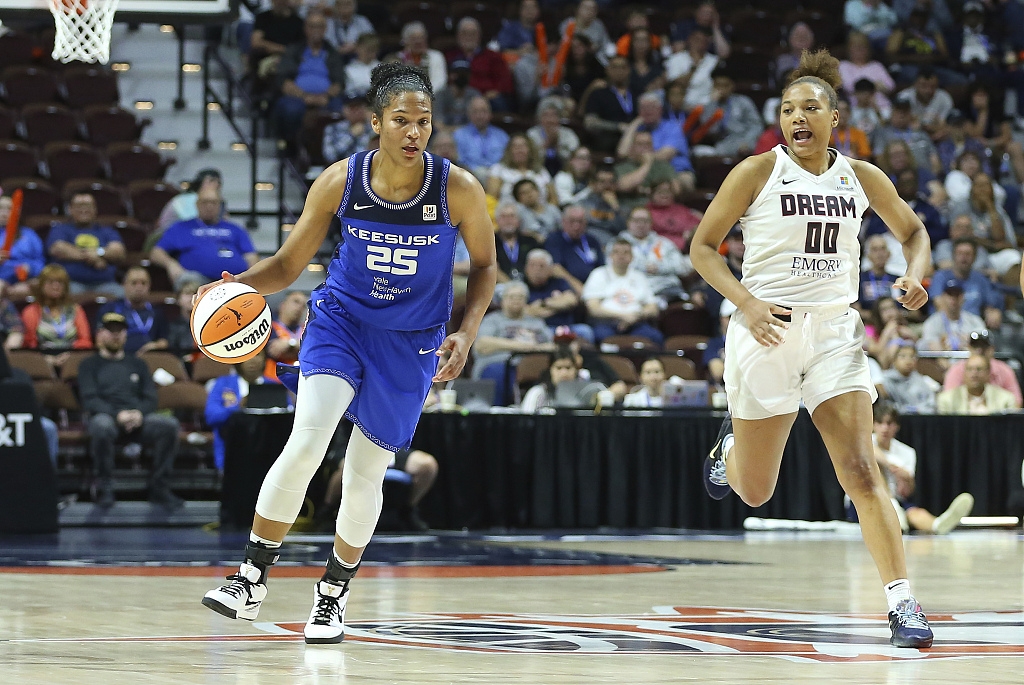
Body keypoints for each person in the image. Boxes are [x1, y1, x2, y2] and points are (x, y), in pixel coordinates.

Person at [201, 62, 497, 645]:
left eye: (424, 121)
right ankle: (250, 578)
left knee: (366, 473)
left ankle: (331, 596)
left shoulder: (457, 188)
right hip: (341, 321)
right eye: (402, 120)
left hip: (410, 342)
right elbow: (287, 265)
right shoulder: (341, 180)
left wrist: (466, 332)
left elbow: (485, 266)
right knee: (308, 438)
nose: (414, 132)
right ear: (376, 122)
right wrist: (233, 287)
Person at [689, 49, 935, 648]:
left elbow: (914, 232)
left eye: (809, 108)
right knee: (756, 492)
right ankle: (728, 449)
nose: (797, 117)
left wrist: (915, 274)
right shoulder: (757, 171)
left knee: (862, 471)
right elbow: (701, 248)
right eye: (787, 110)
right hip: (766, 329)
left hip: (834, 333)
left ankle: (902, 604)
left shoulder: (861, 176)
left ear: (834, 117)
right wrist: (746, 302)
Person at [79, 312, 182, 509]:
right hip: (107, 418)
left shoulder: (138, 363)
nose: (115, 335)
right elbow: (89, 399)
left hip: (137, 419)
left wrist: (139, 413)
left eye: (119, 331)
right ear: (100, 334)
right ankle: (105, 487)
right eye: (110, 330)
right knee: (101, 426)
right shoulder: (88, 365)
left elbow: (150, 397)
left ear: (126, 335)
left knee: (169, 425)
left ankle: (159, 487)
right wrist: (117, 415)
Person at [846, 401, 975, 534]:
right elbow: (870, 451)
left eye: (889, 423)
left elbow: (908, 491)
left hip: (898, 500)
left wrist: (907, 479)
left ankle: (936, 524)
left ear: (897, 426)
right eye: (880, 423)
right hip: (865, 500)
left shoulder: (907, 452)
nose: (885, 428)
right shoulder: (865, 443)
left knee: (913, 512)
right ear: (873, 425)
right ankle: (894, 512)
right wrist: (891, 466)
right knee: (876, 468)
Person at [150, 186, 259, 290]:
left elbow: (251, 256)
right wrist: (171, 264)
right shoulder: (181, 228)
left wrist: (251, 276)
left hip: (234, 281)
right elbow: (156, 253)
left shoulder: (235, 229)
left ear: (220, 205)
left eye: (213, 202)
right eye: (205, 202)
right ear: (197, 204)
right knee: (188, 282)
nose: (209, 206)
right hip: (196, 280)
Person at [204, 348, 290, 471]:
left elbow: (289, 416)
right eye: (247, 355)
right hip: (232, 456)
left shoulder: (274, 387)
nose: (252, 360)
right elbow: (211, 417)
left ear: (265, 359)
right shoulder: (223, 384)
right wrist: (238, 406)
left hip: (270, 455)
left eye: (257, 355)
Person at [471, 281, 554, 405]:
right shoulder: (492, 320)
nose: (516, 300)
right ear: (502, 300)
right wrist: (521, 346)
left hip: (534, 365)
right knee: (498, 371)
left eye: (520, 297)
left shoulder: (537, 323)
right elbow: (481, 344)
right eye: (511, 297)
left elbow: (552, 345)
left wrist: (533, 349)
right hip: (500, 363)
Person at [582, 238, 663, 345]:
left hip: (636, 323)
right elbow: (593, 309)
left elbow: (653, 308)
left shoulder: (639, 277)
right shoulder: (598, 274)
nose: (621, 256)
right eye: (617, 252)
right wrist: (623, 316)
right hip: (606, 324)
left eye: (626, 252)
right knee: (601, 336)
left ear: (632, 257)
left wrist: (636, 316)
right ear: (610, 255)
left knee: (655, 337)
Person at [46, 192, 126, 296]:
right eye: (79, 206)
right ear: (70, 209)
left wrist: (98, 252)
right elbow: (58, 249)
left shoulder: (107, 231)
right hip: (71, 283)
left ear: (95, 209)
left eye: (88, 206)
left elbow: (118, 252)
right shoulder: (60, 229)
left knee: (123, 295)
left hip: (106, 283)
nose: (83, 210)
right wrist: (94, 257)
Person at [97, 267, 169, 356]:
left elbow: (164, 341)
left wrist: (154, 346)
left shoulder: (157, 312)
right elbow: (99, 339)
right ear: (124, 284)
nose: (139, 287)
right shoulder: (110, 308)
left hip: (148, 358)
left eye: (143, 283)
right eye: (134, 283)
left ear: (149, 286)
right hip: (117, 357)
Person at [20, 264, 92, 352]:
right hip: (40, 356)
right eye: (51, 282)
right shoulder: (31, 311)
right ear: (41, 285)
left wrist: (69, 356)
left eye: (60, 282)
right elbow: (29, 344)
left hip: (72, 356)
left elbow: (85, 341)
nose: (56, 286)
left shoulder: (76, 310)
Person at [942, 330, 1023, 406]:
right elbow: (948, 401)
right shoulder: (956, 370)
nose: (979, 351)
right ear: (969, 348)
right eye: (975, 346)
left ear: (992, 349)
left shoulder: (1004, 370)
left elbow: (1016, 403)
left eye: (984, 347)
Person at [937, 353, 1019, 414]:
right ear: (964, 373)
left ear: (988, 373)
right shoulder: (947, 399)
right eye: (970, 369)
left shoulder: (1006, 399)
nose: (974, 374)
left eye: (979, 369)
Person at [0, 193, 44, 299]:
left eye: (9, 209)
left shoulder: (29, 234)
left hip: (27, 279)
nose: (5, 213)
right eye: (1, 208)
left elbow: (40, 262)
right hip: (2, 279)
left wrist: (30, 268)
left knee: (43, 285)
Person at [156, 168, 223, 235]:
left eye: (219, 182)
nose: (216, 185)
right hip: (168, 236)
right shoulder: (185, 199)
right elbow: (192, 223)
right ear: (200, 183)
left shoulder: (219, 202)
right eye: (211, 181)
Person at [878, 344, 939, 413]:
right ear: (894, 361)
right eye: (903, 356)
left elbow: (930, 404)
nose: (908, 361)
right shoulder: (885, 380)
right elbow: (885, 405)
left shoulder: (921, 380)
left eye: (912, 357)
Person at [519, 345, 581, 413]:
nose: (564, 373)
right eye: (559, 368)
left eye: (568, 368)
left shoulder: (583, 394)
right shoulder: (537, 393)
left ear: (576, 370)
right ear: (550, 370)